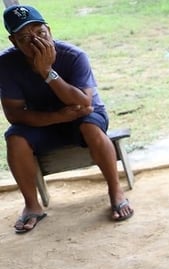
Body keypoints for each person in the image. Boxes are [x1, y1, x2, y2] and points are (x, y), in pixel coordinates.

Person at [0, 5, 133, 234]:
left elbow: (84, 104)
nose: (35, 42)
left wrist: (48, 72)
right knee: (15, 139)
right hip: (45, 120)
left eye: (40, 33)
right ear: (14, 42)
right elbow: (14, 115)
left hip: (82, 116)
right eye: (25, 38)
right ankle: (32, 205)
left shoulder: (73, 56)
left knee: (91, 127)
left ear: (49, 31)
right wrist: (56, 117)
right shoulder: (5, 65)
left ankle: (115, 191)